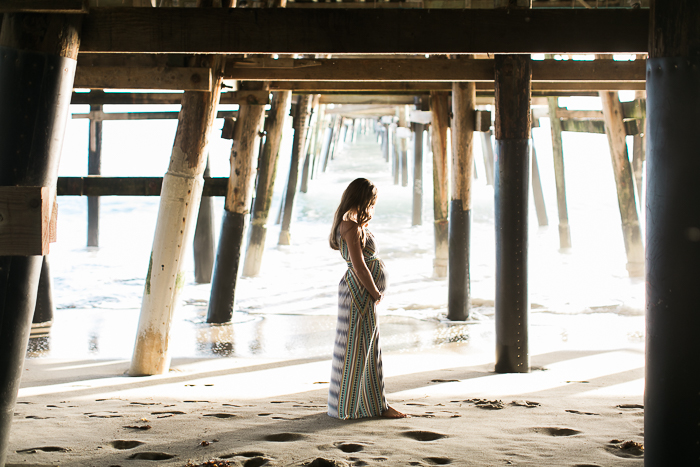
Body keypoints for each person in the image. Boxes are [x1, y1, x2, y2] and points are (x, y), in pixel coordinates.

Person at [327, 178, 406, 419]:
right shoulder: (350, 225)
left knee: (363, 347)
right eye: (371, 201)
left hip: (359, 291)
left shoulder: (353, 223)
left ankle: (368, 405)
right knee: (357, 348)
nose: (372, 206)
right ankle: (355, 407)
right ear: (361, 199)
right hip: (359, 292)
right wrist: (375, 291)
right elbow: (359, 266)